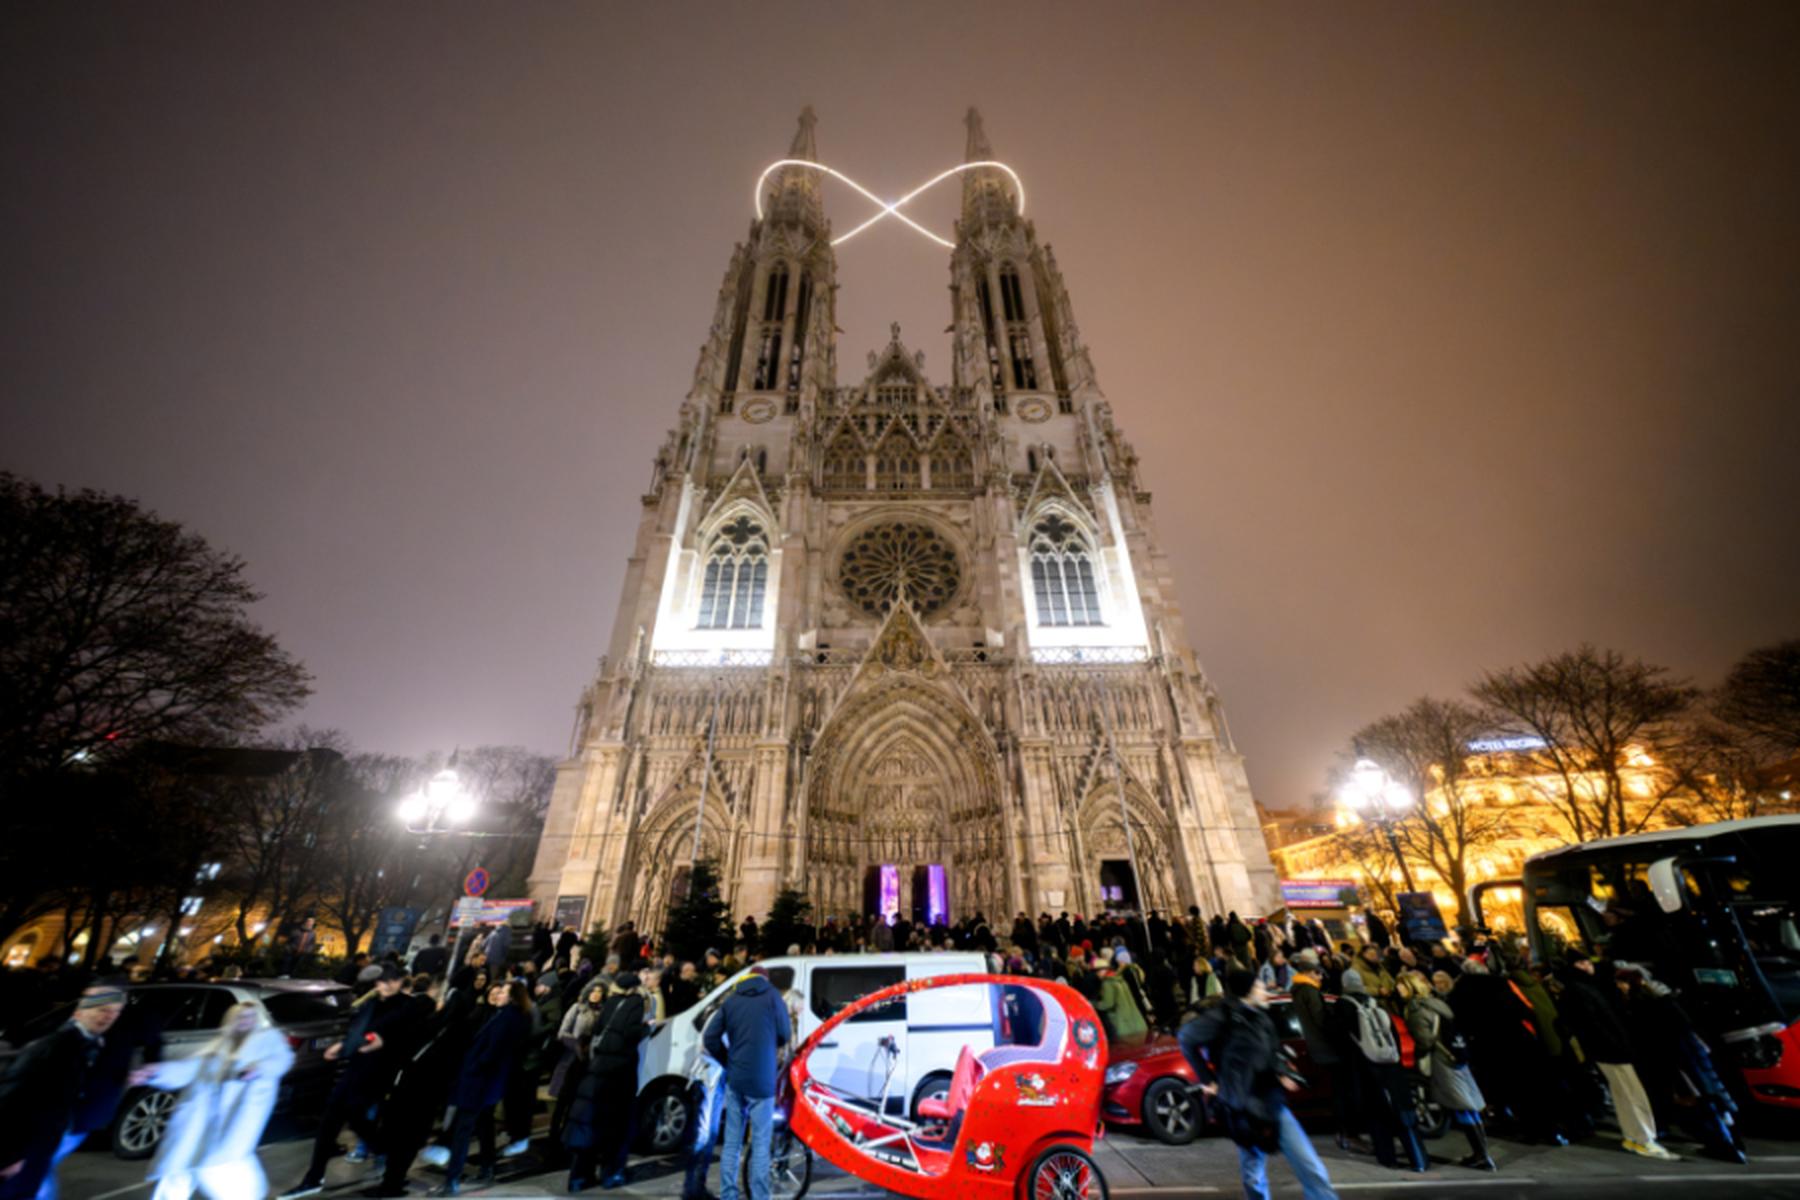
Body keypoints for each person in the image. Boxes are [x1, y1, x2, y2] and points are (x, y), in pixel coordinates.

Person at [1178, 968, 1338, 1200]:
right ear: (1248, 991)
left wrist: (1282, 1071)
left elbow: (1272, 1052)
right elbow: (1186, 1038)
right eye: (1260, 986)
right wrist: (1208, 1079)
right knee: (1253, 1173)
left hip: (1270, 1100)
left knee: (1309, 1164)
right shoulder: (1223, 1017)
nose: (1265, 990)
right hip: (1240, 1104)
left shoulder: (1262, 1017)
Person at [135, 1000, 294, 1200]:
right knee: (179, 1170)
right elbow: (190, 1069)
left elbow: (282, 1060)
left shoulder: (269, 1040)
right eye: (241, 1017)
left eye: (250, 1017)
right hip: (198, 1122)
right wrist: (156, 1073)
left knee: (223, 1173)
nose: (245, 1021)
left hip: (232, 1123)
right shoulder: (219, 1045)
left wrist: (258, 1069)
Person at [280, 965, 414, 1198]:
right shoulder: (371, 1002)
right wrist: (342, 1046)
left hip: (377, 1073)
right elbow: (359, 1031)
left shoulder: (406, 1005)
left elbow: (396, 1035)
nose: (385, 985)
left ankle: (388, 1152)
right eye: (382, 981)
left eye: (390, 981)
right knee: (330, 1120)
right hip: (356, 1068)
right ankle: (314, 1177)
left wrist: (379, 1041)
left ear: (399, 982)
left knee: (355, 1117)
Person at [0, 984, 128, 1200]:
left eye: (116, 1011)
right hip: (26, 1146)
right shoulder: (54, 1047)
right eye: (102, 1009)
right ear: (80, 1011)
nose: (109, 1016)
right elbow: (12, 1098)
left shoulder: (93, 1043)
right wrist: (10, 1154)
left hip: (46, 1139)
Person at [1555, 956, 1677, 1161]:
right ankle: (1643, 1138)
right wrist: (1618, 1045)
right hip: (1612, 1050)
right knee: (1633, 1094)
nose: (1588, 966)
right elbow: (1595, 1023)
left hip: (1606, 1050)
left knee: (1623, 1093)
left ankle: (1634, 1136)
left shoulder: (1580, 988)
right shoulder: (1583, 989)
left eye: (1587, 962)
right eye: (1581, 963)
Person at [434, 981, 532, 1195]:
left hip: (479, 1083)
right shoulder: (508, 1016)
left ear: (512, 997)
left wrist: (473, 1068)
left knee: (462, 1130)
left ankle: (451, 1181)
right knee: (482, 1127)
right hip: (486, 1084)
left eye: (503, 992)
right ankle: (486, 1169)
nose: (499, 995)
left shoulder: (507, 1018)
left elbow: (493, 1052)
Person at [703, 966, 791, 1200]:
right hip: (763, 1080)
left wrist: (727, 1060)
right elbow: (785, 1034)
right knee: (761, 1143)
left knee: (732, 1142)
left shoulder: (731, 999)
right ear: (765, 979)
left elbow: (709, 1037)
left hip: (736, 1079)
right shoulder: (773, 996)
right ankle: (760, 1196)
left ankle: (728, 1194)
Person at [1334, 969, 1425, 1172]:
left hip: (1365, 1068)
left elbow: (1341, 1040)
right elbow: (1392, 1033)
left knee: (1376, 1114)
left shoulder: (1343, 1005)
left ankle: (1387, 1157)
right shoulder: (1374, 1002)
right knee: (1402, 1113)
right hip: (1390, 1065)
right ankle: (1418, 1159)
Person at [1399, 973, 1493, 1170]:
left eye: (1401, 985)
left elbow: (1425, 1040)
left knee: (1461, 1107)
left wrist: (1418, 1056)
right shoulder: (1437, 1003)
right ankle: (1482, 1153)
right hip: (1456, 1055)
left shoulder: (1416, 1009)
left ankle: (1482, 1156)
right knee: (1469, 1106)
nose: (1398, 989)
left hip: (1441, 1060)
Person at [566, 972, 647, 1191]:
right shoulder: (636, 1002)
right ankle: (611, 1174)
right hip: (620, 1072)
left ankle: (579, 1177)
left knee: (591, 1123)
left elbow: (599, 1029)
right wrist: (646, 1028)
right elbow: (631, 1032)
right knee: (617, 1126)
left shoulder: (610, 1002)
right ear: (634, 988)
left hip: (597, 1067)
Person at [1288, 951, 1360, 1154]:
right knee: (1342, 1092)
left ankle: (1343, 1133)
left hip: (1316, 1048)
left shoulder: (1297, 990)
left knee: (1337, 1092)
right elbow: (1321, 1020)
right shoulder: (1309, 991)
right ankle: (1347, 1134)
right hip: (1327, 1048)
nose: (1320, 977)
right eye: (1317, 973)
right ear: (1308, 974)